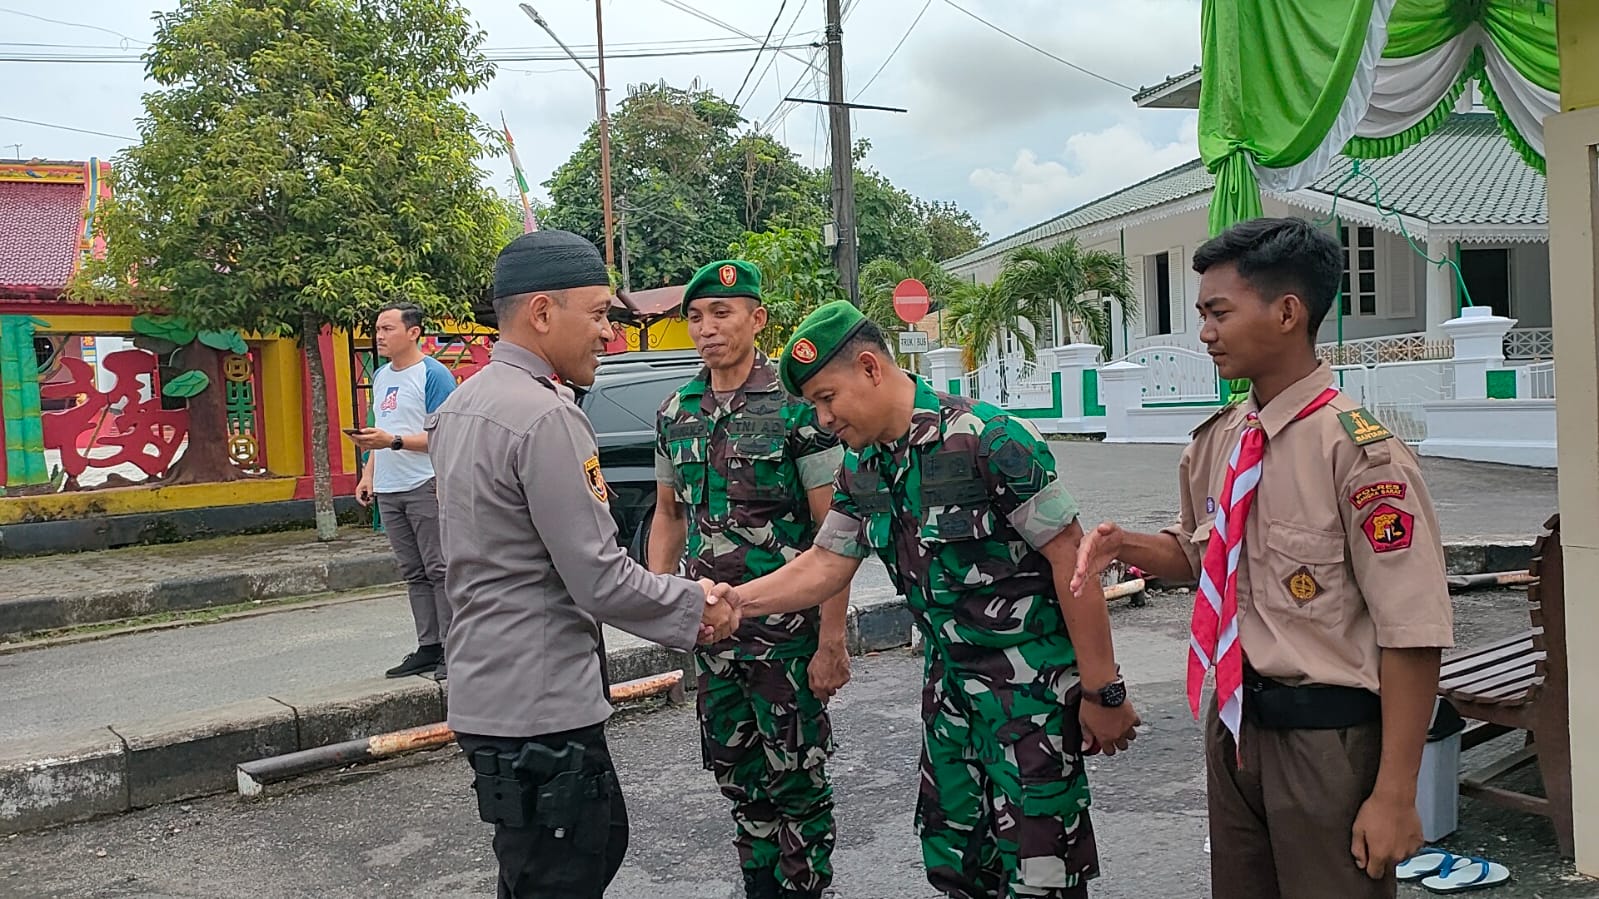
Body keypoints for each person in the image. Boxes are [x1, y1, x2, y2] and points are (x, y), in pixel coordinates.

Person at [1070, 217, 1452, 899]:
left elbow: (1412, 630)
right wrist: (1124, 545)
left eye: (1218, 312)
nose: (1205, 333)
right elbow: (1203, 560)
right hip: (1236, 727)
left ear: (1285, 312)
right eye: (1202, 315)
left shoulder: (1358, 454)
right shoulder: (1219, 440)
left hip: (1326, 738)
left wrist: (1395, 792)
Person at [713, 300, 1140, 899]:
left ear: (869, 368)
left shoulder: (988, 440)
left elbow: (1074, 561)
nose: (823, 416)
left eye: (827, 397)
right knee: (958, 866)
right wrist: (736, 601)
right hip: (949, 699)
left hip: (1033, 702)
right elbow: (825, 563)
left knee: (1042, 875)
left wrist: (1104, 690)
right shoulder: (864, 466)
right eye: (812, 403)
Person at [426, 229, 743, 899]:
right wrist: (698, 608)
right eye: (599, 313)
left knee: (545, 866)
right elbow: (597, 575)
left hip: (487, 693)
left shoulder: (459, 405)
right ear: (543, 313)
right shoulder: (544, 415)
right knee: (565, 872)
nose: (609, 334)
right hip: (542, 705)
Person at [647, 259, 849, 899]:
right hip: (713, 636)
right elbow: (668, 517)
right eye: (696, 317)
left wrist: (831, 640)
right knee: (737, 776)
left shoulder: (797, 411)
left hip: (787, 636)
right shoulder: (675, 411)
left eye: (722, 313)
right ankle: (760, 888)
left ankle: (807, 890)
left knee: (798, 779)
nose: (707, 328)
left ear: (757, 318)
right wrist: (661, 605)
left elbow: (833, 536)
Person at [350, 302, 458, 680]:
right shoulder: (380, 376)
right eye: (377, 329)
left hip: (425, 483)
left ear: (413, 332)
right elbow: (382, 427)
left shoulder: (433, 375)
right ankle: (428, 646)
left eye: (388, 329)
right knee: (413, 572)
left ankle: (453, 648)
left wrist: (392, 441)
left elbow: (444, 437)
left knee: (440, 569)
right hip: (390, 487)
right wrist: (368, 474)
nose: (379, 336)